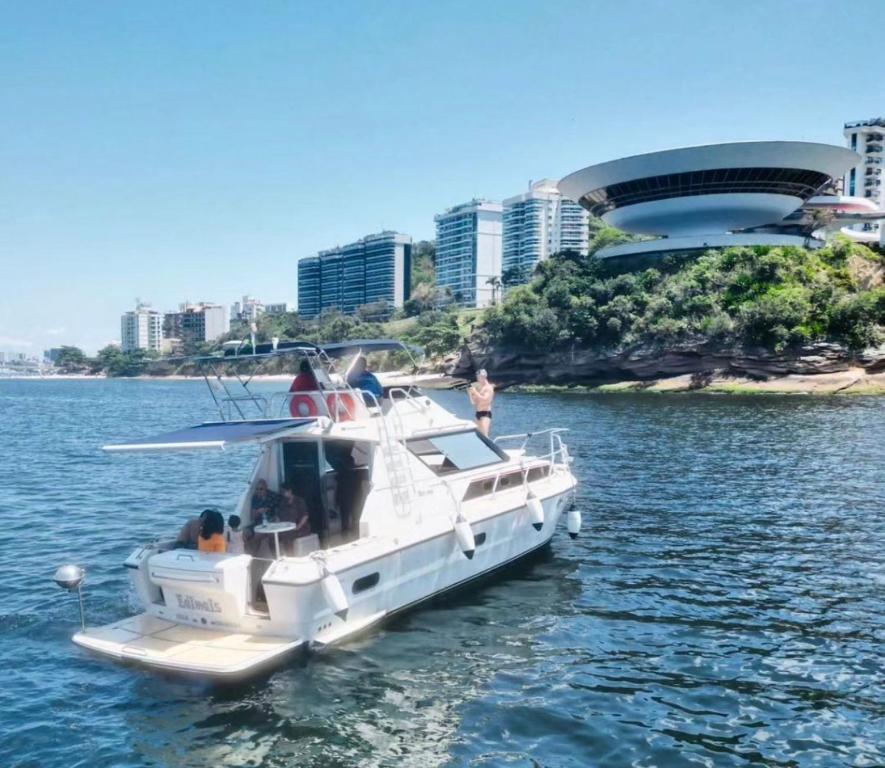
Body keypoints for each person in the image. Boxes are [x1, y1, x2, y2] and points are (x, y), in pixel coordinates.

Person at [275, 485, 311, 553]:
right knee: (275, 536)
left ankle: (291, 556)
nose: (282, 493)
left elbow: (305, 516)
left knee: (287, 536)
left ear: (290, 491)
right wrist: (278, 525)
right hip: (286, 527)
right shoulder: (282, 502)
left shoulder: (299, 500)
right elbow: (278, 515)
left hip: (301, 527)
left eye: (284, 491)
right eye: (281, 492)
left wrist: (298, 527)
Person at [468, 368, 495, 437]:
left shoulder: (489, 388)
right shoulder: (482, 388)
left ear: (483, 377)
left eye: (478, 378)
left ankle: (489, 447)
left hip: (485, 414)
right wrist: (470, 394)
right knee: (478, 436)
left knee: (485, 436)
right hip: (478, 413)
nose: (477, 379)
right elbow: (473, 403)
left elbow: (485, 399)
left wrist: (475, 392)